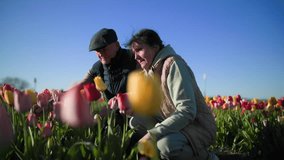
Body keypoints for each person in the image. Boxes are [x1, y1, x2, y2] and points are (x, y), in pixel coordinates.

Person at [126, 29, 217, 160]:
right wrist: (131, 107)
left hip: (196, 125)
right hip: (173, 123)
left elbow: (187, 110)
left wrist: (152, 135)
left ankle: (206, 157)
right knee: (136, 121)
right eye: (133, 52)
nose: (135, 57)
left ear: (155, 47)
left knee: (165, 147)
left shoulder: (173, 64)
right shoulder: (148, 73)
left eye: (139, 49)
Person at [81, 28, 138, 100]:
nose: (101, 54)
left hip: (138, 107)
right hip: (112, 110)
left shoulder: (134, 57)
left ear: (117, 45)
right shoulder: (97, 67)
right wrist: (66, 93)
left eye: (104, 49)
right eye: (98, 51)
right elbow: (83, 83)